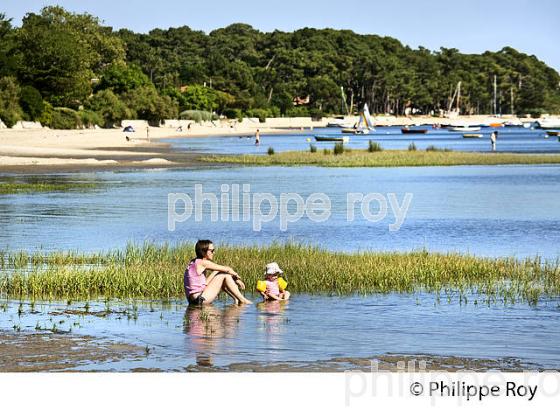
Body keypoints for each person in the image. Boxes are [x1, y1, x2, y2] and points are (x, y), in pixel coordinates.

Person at [184, 240, 252, 305]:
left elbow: (205, 284)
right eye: (212, 251)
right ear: (203, 252)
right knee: (224, 276)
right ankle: (243, 300)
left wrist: (216, 271)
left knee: (221, 275)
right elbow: (227, 269)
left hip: (193, 300)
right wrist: (237, 279)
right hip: (200, 298)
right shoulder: (203, 263)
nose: (214, 253)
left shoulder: (194, 262)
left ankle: (236, 300)